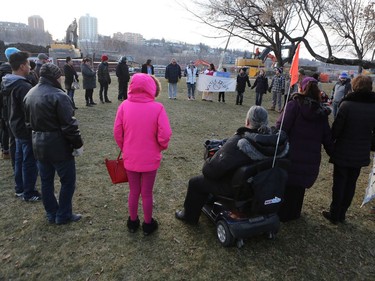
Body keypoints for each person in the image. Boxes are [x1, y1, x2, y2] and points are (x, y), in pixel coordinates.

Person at [175, 106, 289, 224]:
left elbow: (210, 171)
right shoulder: (277, 144)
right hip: (264, 186)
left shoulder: (240, 142)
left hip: (238, 189)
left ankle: (189, 217)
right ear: (266, 122)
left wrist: (210, 159)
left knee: (195, 182)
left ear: (247, 121)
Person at [24, 63, 84, 224]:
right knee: (67, 181)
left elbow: (27, 123)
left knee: (46, 181)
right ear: (56, 77)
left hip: (39, 145)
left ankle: (52, 213)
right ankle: (63, 214)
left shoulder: (30, 93)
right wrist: (78, 145)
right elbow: (69, 125)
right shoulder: (59, 96)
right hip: (59, 146)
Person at [114, 73, 172, 235]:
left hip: (130, 157)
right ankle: (148, 224)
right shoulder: (158, 108)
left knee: (134, 191)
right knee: (147, 193)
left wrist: (126, 147)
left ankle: (132, 222)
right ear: (151, 88)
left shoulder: (124, 106)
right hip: (150, 158)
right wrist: (160, 147)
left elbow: (117, 132)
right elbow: (165, 134)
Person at [275, 77, 333, 222]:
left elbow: (281, 128)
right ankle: (295, 212)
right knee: (299, 186)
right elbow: (327, 136)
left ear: (301, 88)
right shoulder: (321, 112)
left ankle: (284, 213)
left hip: (291, 154)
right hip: (310, 157)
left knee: (288, 184)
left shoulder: (294, 106)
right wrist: (333, 153)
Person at [322, 75, 375, 224]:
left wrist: (330, 141)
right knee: (351, 183)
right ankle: (342, 214)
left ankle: (335, 214)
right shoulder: (373, 106)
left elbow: (336, 130)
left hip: (344, 150)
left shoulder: (347, 105)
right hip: (361, 151)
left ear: (355, 86)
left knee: (339, 183)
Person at [2, 51, 41, 201]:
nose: (30, 67)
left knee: (19, 158)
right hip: (24, 128)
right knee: (29, 160)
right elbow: (30, 110)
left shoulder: (7, 81)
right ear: (22, 66)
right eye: (28, 64)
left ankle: (20, 188)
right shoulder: (22, 86)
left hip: (14, 126)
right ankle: (29, 192)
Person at [0, 47, 19, 162]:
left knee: (4, 128)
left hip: (3, 105)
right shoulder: (9, 72)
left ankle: (4, 150)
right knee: (11, 132)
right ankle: (11, 153)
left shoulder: (2, 69)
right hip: (8, 105)